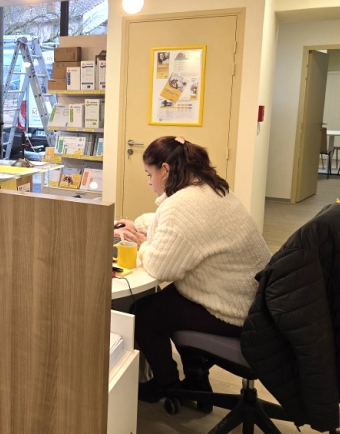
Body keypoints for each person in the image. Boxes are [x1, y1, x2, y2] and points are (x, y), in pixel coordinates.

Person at [115, 136, 271, 404]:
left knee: (146, 314)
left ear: (165, 169)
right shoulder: (209, 188)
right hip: (254, 300)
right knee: (174, 298)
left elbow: (160, 267)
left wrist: (142, 244)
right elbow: (177, 226)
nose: (149, 181)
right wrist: (137, 225)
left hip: (234, 310)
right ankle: (197, 381)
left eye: (149, 174)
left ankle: (168, 386)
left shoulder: (183, 205)